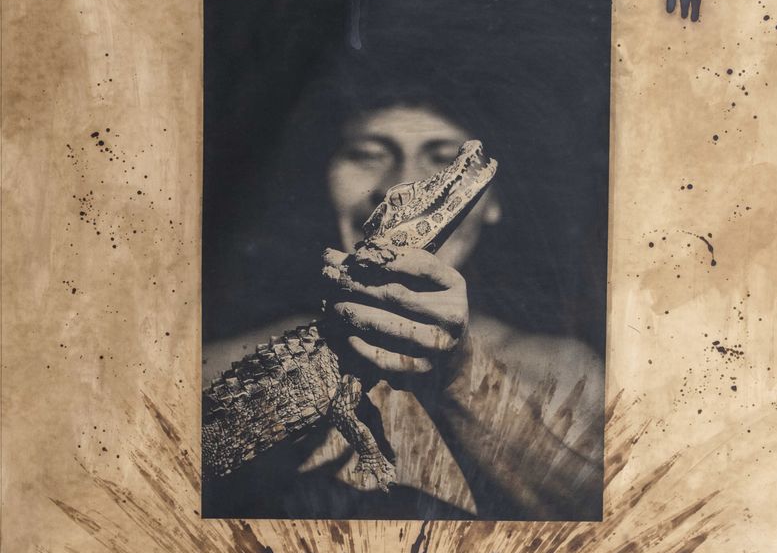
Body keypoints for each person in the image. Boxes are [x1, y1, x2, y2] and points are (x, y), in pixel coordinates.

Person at [202, 87, 604, 520]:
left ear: (493, 202)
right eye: (367, 154)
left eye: (440, 156)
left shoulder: (568, 371)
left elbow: (611, 523)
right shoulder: (209, 366)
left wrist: (460, 374)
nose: (398, 181)